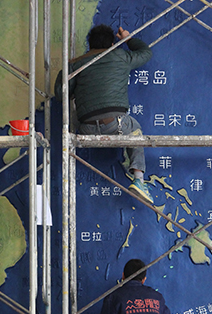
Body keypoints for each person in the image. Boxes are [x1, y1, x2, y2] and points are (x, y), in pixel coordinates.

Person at [54, 24, 154, 203]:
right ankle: (139, 180)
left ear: (90, 44)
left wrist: (68, 70)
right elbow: (146, 53)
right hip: (116, 124)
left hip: (85, 129)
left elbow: (61, 95)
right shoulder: (121, 56)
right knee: (135, 129)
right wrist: (128, 39)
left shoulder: (76, 64)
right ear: (112, 44)